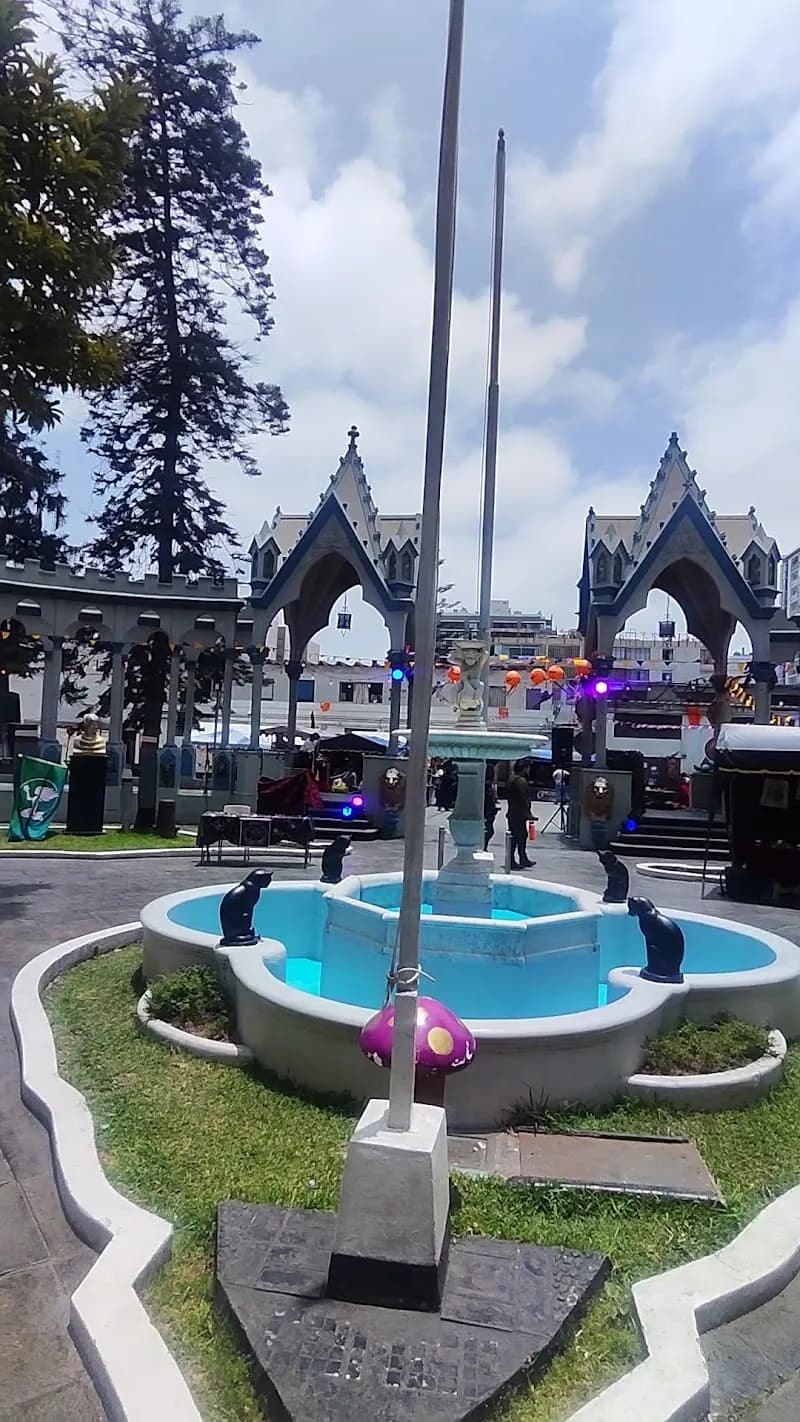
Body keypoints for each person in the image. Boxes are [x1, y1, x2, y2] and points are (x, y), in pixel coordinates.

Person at [506, 760, 534, 869]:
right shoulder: (521, 781)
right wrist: (528, 813)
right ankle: (520, 858)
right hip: (519, 814)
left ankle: (517, 858)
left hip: (512, 813)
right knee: (521, 837)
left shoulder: (511, 779)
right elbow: (524, 799)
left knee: (514, 837)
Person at [483, 763, 498, 852]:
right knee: (489, 831)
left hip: (489, 812)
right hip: (487, 812)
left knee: (489, 831)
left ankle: (484, 846)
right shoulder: (487, 787)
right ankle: (483, 847)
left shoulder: (488, 787)